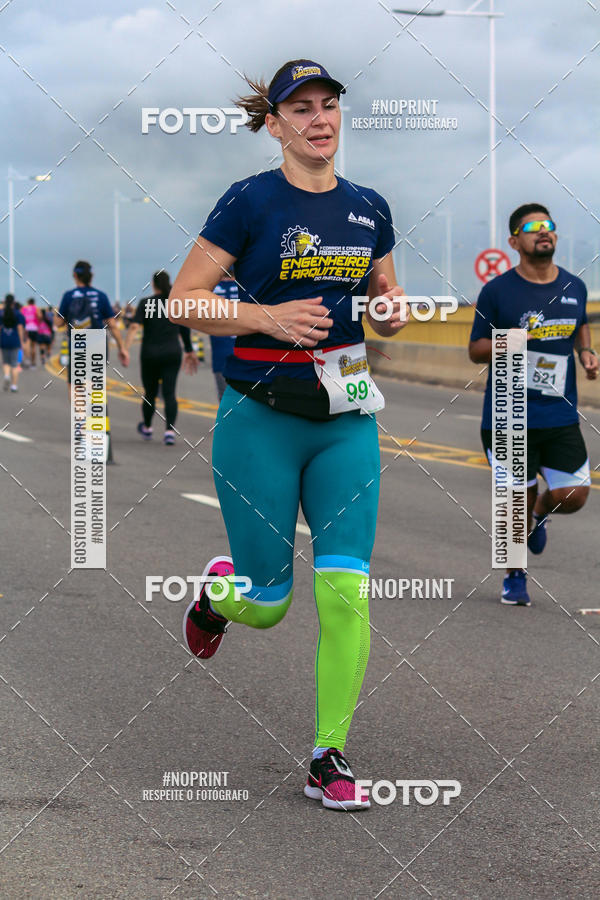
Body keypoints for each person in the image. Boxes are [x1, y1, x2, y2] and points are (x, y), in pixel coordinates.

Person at [169, 59, 408, 811]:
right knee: (269, 602)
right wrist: (266, 318)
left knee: (345, 593)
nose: (318, 118)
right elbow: (184, 302)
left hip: (344, 422)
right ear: (273, 124)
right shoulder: (248, 202)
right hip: (260, 418)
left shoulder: (370, 208)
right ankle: (218, 597)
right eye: (299, 108)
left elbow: (382, 290)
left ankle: (327, 755)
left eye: (329, 104)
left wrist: (391, 307)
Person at [469, 203, 598, 606]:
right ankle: (515, 575)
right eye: (532, 227)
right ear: (514, 241)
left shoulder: (575, 287)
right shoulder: (497, 291)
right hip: (508, 415)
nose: (544, 231)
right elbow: (475, 349)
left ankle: (540, 512)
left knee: (574, 494)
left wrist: (587, 353)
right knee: (513, 504)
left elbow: (581, 326)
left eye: (549, 225)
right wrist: (511, 341)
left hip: (559, 414)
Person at [123, 271, 197, 445]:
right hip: (172, 353)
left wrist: (125, 348)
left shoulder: (145, 303)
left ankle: (148, 428)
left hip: (150, 354)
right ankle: (169, 432)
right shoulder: (175, 304)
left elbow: (134, 327)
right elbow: (185, 329)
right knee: (170, 393)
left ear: (153, 284)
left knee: (150, 393)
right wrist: (189, 350)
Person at [55, 261, 129, 396]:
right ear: (91, 276)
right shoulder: (101, 296)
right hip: (98, 343)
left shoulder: (69, 296)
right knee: (95, 384)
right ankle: (94, 412)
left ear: (74, 275)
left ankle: (81, 413)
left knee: (76, 386)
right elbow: (112, 325)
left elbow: (58, 322)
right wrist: (121, 348)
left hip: (78, 344)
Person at [210, 270, 237, 400]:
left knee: (224, 400)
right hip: (245, 354)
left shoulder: (211, 290)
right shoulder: (246, 287)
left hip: (220, 353)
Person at [0, 294, 26, 392]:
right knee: (14, 364)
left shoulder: (1, 313)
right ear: (13, 302)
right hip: (15, 340)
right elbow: (20, 328)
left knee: (6, 362)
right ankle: (14, 386)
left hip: (4, 339)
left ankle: (7, 375)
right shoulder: (18, 314)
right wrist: (21, 341)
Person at [22, 298, 40, 367]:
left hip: (27, 329)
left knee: (27, 344)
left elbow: (22, 318)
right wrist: (37, 321)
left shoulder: (24, 309)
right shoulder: (36, 308)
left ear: (28, 302)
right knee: (33, 347)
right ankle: (33, 362)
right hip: (34, 328)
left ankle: (27, 359)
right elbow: (40, 316)